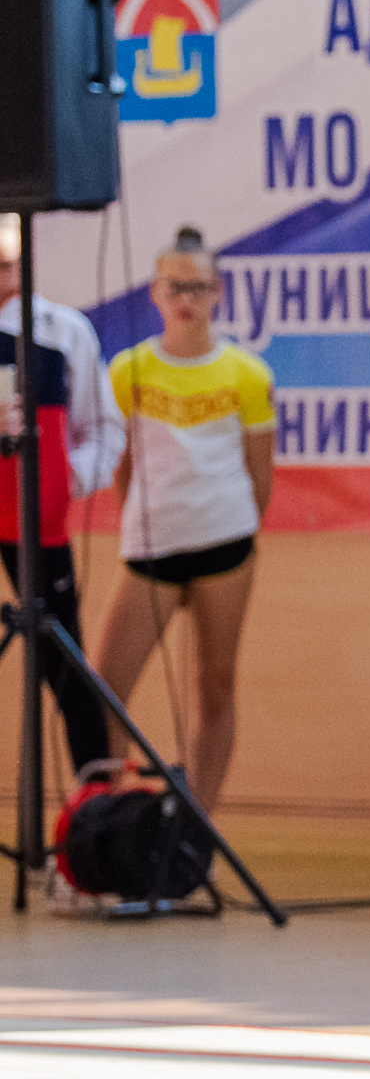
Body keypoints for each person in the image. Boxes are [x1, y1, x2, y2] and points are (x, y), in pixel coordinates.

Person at [91, 227, 275, 814]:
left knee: (214, 687)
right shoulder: (129, 370)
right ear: (155, 292)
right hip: (152, 549)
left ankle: (196, 829)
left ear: (217, 292)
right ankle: (109, 817)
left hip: (225, 543)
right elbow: (120, 465)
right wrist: (146, 523)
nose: (186, 298)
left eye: (198, 286)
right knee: (104, 687)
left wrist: (237, 532)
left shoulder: (247, 374)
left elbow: (259, 473)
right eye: (176, 286)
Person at [0, 214, 124, 786]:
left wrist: (58, 480)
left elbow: (106, 431)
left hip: (31, 523)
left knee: (65, 665)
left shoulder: (62, 330)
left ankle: (92, 821)